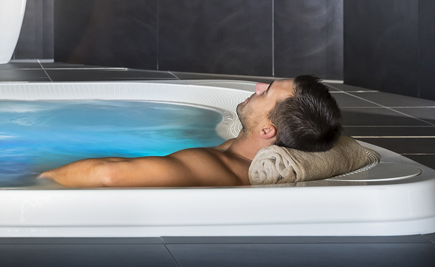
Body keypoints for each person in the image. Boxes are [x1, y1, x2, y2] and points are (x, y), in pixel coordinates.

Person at [39, 75, 342, 188]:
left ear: (267, 130)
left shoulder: (216, 167)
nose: (259, 86)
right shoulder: (235, 151)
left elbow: (109, 174)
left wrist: (40, 180)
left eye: (268, 92)